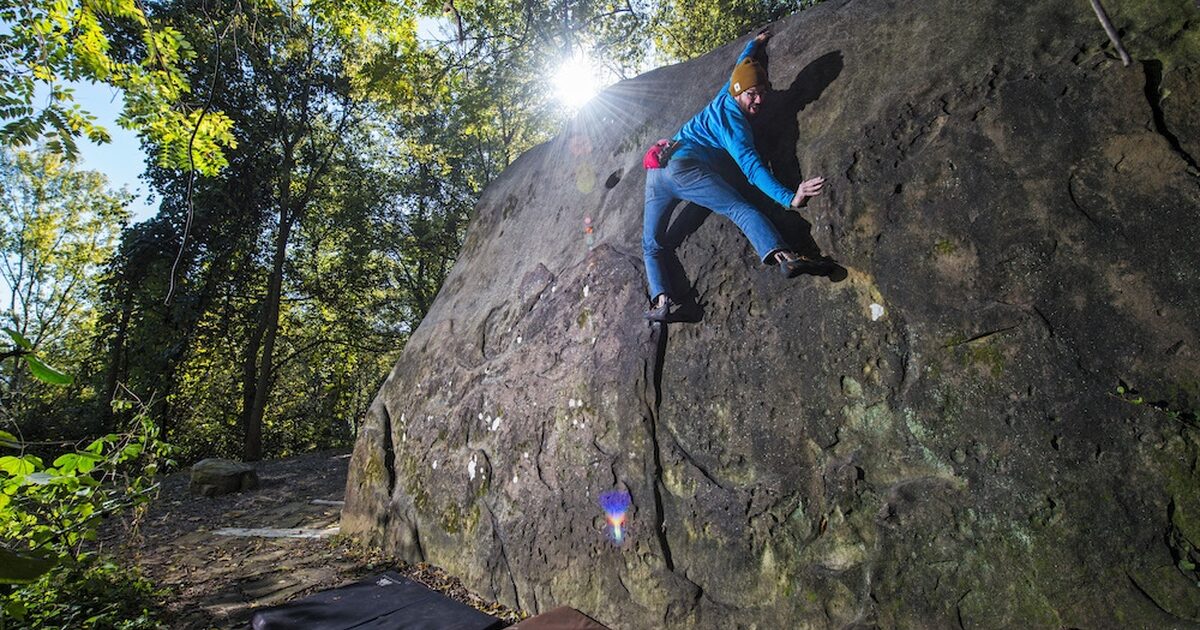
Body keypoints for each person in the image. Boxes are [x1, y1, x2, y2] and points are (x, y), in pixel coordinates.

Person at [642, 28, 830, 322]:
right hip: (684, 168)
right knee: (739, 208)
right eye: (753, 95)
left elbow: (741, 69)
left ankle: (662, 301)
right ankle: (786, 256)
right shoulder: (735, 125)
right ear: (739, 91)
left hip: (657, 173)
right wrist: (790, 197)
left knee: (651, 244)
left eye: (763, 94)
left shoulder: (728, 90)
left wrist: (753, 46)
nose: (758, 102)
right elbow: (753, 169)